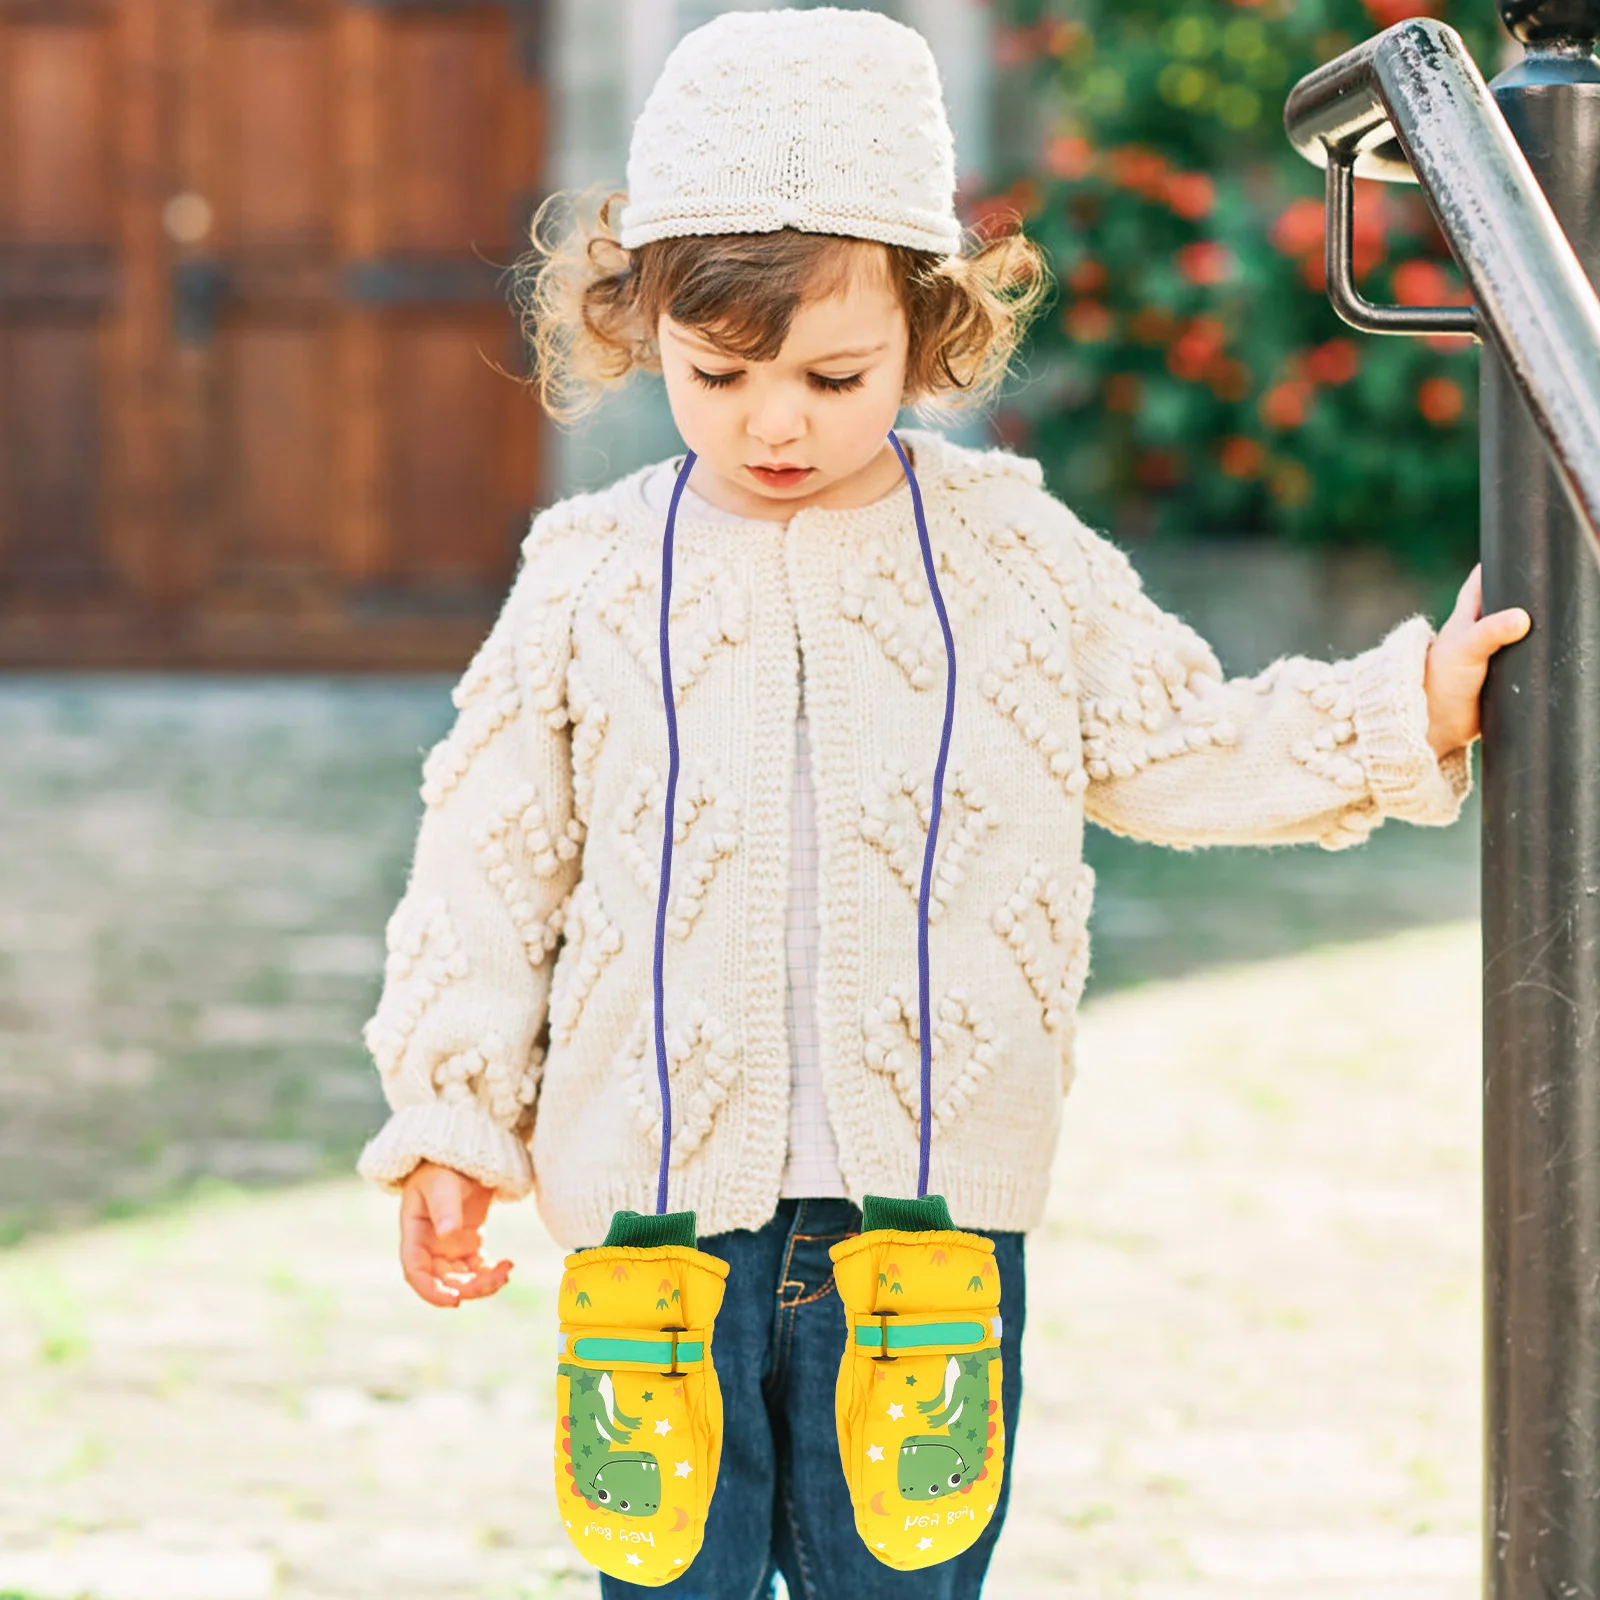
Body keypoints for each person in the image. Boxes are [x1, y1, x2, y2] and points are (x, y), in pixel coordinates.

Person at [353, 8, 1529, 1597]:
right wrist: (449, 1116)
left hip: (926, 1237)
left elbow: (1174, 738)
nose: (778, 421)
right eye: (722, 372)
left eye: (835, 375)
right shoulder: (587, 571)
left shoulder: (1008, 553)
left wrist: (1400, 712)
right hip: (650, 1237)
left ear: (931, 330)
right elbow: (489, 860)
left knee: (906, 1578)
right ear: (641, 328)